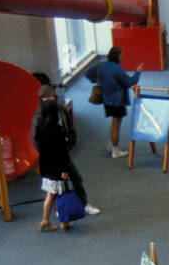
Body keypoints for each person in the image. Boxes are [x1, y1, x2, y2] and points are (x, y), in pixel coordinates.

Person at [38, 84, 99, 215]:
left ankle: (55, 215)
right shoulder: (41, 118)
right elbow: (42, 140)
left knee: (66, 183)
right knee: (62, 185)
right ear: (42, 99)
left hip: (57, 156)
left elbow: (68, 127)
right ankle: (67, 210)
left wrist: (70, 139)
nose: (51, 99)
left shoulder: (60, 110)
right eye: (48, 98)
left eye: (52, 97)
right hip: (54, 158)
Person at [85, 47, 143, 158]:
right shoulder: (117, 69)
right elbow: (130, 82)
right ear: (116, 56)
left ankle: (112, 144)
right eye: (122, 55)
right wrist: (138, 72)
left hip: (107, 99)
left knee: (114, 123)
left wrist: (98, 81)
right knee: (116, 124)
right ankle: (115, 151)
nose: (123, 57)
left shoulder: (102, 65)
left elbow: (88, 73)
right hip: (118, 100)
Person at [33, 89, 78, 232]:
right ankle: (63, 222)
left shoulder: (40, 127)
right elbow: (61, 152)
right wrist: (64, 169)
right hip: (58, 168)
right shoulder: (56, 130)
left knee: (50, 195)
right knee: (61, 195)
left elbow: (39, 145)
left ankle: (45, 220)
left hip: (46, 168)